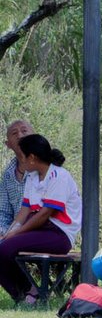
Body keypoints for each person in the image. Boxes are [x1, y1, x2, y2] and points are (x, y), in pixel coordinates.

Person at [0, 132, 82, 306]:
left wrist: (15, 235)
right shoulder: (32, 176)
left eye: (22, 157)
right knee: (3, 244)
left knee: (6, 248)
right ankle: (22, 296)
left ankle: (29, 293)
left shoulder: (59, 176)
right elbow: (24, 211)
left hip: (59, 234)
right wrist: (8, 232)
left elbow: (45, 214)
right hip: (41, 230)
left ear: (31, 158)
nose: (19, 161)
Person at [0, 118, 33, 232]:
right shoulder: (8, 175)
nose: (20, 135)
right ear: (8, 144)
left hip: (41, 230)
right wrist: (3, 233)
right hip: (15, 234)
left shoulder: (46, 168)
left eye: (24, 131)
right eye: (14, 133)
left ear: (35, 136)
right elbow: (3, 213)